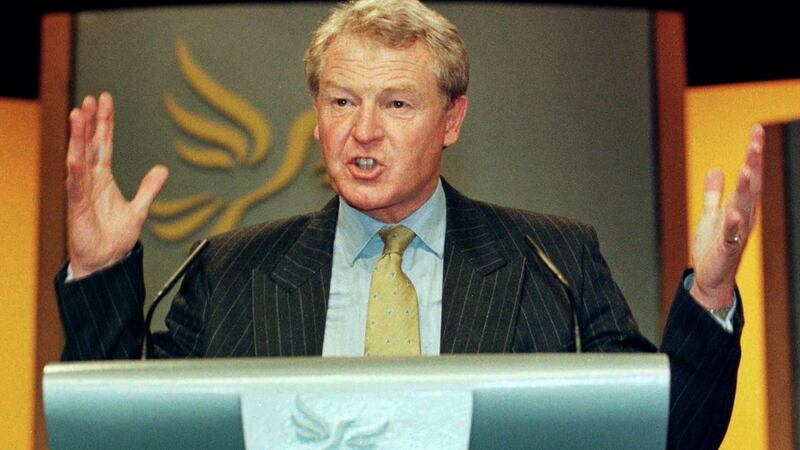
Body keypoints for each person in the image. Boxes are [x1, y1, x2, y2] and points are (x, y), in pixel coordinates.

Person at [55, 0, 762, 448]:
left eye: (396, 104)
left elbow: (664, 436)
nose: (362, 131)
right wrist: (98, 274)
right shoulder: (233, 268)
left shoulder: (550, 259)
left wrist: (709, 300)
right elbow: (126, 433)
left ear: (451, 119)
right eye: (340, 102)